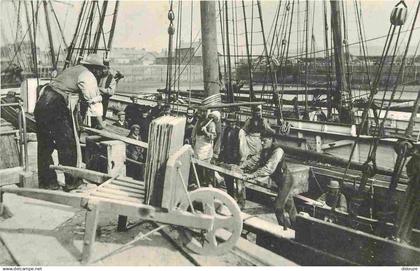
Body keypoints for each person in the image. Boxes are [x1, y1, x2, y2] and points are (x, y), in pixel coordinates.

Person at [34, 53, 105, 191]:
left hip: (42, 102)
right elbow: (94, 101)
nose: (100, 73)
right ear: (95, 68)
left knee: (45, 145)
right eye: (100, 70)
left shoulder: (72, 69)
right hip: (55, 104)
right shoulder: (87, 75)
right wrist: (102, 124)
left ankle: (47, 182)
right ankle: (72, 182)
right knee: (68, 144)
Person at [242, 131, 297, 228]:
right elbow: (255, 159)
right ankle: (296, 228)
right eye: (261, 141)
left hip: (286, 180)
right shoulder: (264, 150)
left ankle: (285, 228)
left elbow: (269, 168)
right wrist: (242, 166)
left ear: (271, 140)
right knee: (290, 206)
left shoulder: (278, 151)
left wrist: (253, 175)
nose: (262, 143)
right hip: (279, 181)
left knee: (278, 207)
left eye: (264, 141)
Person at [219, 113, 245, 208]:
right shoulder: (225, 130)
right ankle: (230, 200)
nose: (231, 124)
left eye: (233, 122)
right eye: (229, 122)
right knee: (228, 181)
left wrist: (241, 159)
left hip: (236, 160)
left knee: (239, 182)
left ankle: (241, 201)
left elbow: (242, 147)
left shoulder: (240, 132)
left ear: (236, 122)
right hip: (227, 159)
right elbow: (223, 144)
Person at [192, 109, 217, 186]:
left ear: (206, 112)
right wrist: (193, 140)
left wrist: (206, 132)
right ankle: (198, 182)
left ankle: (209, 183)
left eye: (204, 112)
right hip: (198, 147)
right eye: (201, 111)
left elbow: (213, 136)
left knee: (207, 168)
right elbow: (194, 132)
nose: (202, 113)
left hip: (206, 148)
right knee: (197, 166)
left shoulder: (211, 123)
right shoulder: (198, 121)